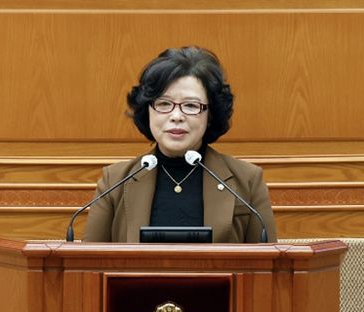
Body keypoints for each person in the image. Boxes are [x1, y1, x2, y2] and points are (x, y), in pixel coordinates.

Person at [83, 46, 276, 243]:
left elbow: (269, 260)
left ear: (210, 115)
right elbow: (88, 260)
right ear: (147, 110)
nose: (176, 116)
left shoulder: (247, 180)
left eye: (191, 105)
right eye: (164, 104)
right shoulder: (114, 181)